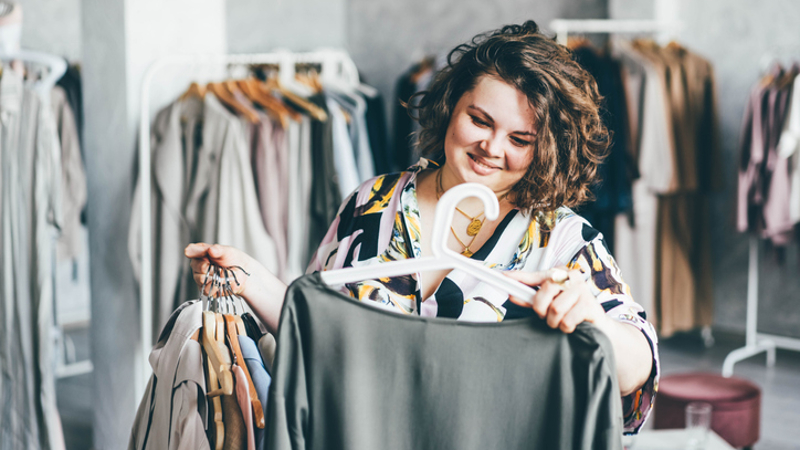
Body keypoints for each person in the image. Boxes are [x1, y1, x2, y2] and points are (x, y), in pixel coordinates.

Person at [185, 20, 659, 434]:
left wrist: (594, 321)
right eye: (480, 120)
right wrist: (251, 280)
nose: (491, 147)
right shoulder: (371, 204)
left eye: (519, 139)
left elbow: (638, 372)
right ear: (452, 106)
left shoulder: (563, 242)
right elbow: (316, 330)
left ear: (547, 148)